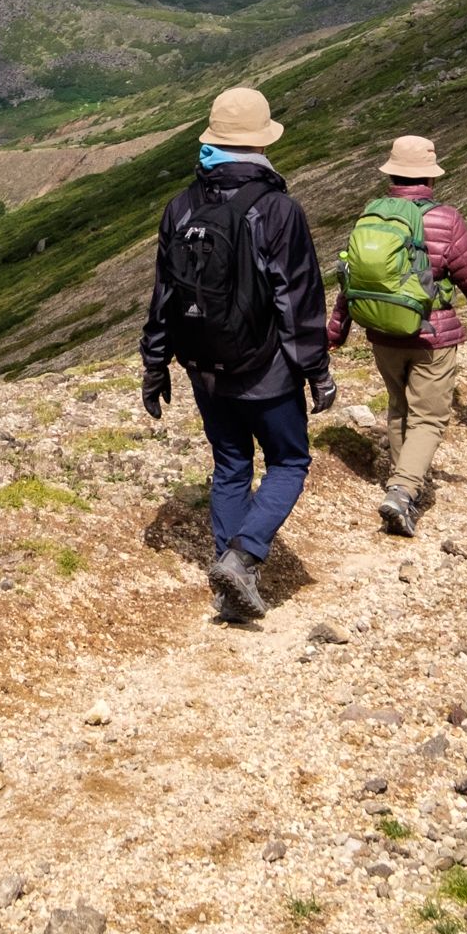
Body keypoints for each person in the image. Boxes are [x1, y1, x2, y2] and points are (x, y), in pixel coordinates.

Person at [139, 86, 336, 622]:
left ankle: (229, 572)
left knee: (230, 465)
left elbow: (164, 294)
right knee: (289, 461)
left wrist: (155, 365)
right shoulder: (277, 210)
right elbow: (296, 299)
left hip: (202, 369)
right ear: (260, 143)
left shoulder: (180, 206)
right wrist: (316, 371)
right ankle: (244, 556)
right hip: (265, 370)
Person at [326, 135, 467, 538]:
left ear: (392, 174)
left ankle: (400, 476)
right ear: (429, 176)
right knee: (430, 416)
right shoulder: (445, 219)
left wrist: (337, 330)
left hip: (382, 332)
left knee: (397, 404)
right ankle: (404, 490)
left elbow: (349, 278)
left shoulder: (370, 217)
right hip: (430, 336)